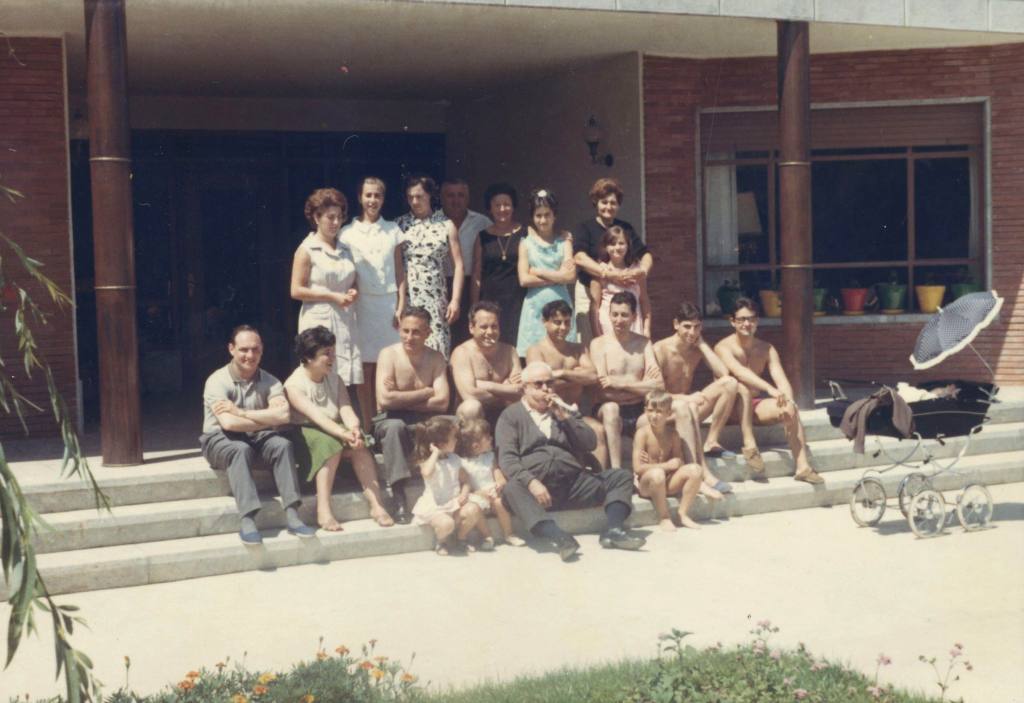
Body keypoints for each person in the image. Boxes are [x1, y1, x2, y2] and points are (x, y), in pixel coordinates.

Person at [495, 361, 645, 562]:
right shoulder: (511, 416)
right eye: (538, 384)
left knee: (621, 476)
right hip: (538, 490)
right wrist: (532, 483)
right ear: (525, 388)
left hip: (573, 484)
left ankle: (614, 531)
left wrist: (565, 417)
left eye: (550, 383)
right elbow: (507, 459)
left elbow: (590, 442)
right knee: (512, 489)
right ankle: (560, 538)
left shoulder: (562, 410)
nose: (546, 389)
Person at [199, 325, 315, 544]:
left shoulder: (271, 381)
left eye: (255, 349)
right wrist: (266, 417)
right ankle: (248, 518)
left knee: (282, 445)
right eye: (244, 349)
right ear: (231, 349)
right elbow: (228, 423)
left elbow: (283, 416)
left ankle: (293, 514)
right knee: (240, 449)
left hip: (258, 436)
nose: (250, 355)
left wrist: (241, 412)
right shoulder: (217, 381)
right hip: (219, 438)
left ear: (262, 350)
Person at [283, 326, 394, 531]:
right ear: (308, 357)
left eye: (333, 352)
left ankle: (377, 506)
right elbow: (317, 418)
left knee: (360, 445)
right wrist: (343, 434)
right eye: (326, 353)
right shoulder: (294, 385)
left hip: (335, 428)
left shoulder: (335, 378)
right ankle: (323, 510)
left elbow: (345, 408)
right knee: (330, 445)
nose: (332, 358)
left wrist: (354, 429)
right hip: (306, 432)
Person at [714, 297, 824, 484]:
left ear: (757, 321)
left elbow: (781, 379)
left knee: (789, 408)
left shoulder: (766, 348)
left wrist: (788, 402)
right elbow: (739, 373)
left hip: (755, 407)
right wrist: (769, 389)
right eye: (741, 319)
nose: (747, 324)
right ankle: (750, 445)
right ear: (732, 322)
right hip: (730, 409)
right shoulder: (722, 347)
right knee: (742, 388)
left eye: (751, 319)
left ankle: (803, 467)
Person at [373, 306, 452, 523]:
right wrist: (425, 392)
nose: (409, 337)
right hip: (390, 419)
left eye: (416, 332)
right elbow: (385, 400)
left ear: (428, 333)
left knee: (455, 422)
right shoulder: (388, 355)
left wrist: (400, 398)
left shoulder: (436, 358)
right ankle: (399, 495)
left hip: (422, 421)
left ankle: (460, 487)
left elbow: (442, 402)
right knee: (394, 427)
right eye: (405, 331)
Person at [653, 301, 758, 466]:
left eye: (697, 327)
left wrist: (702, 344)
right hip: (666, 412)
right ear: (676, 324)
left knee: (730, 383)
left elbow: (723, 373)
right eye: (687, 327)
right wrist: (687, 399)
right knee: (689, 404)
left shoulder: (697, 348)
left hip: (690, 409)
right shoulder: (660, 350)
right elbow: (654, 394)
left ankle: (711, 441)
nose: (692, 332)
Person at [339, 176, 403, 428]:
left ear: (383, 199)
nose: (372, 200)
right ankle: (368, 426)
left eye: (377, 195)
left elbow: (400, 272)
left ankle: (385, 424)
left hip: (388, 304)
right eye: (368, 195)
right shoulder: (347, 233)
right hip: (362, 305)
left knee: (388, 365)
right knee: (365, 368)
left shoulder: (393, 230)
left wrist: (401, 305)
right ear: (360, 197)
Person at [290, 187, 362, 385]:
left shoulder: (345, 249)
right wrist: (332, 296)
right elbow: (296, 290)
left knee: (342, 374)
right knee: (320, 371)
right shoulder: (306, 250)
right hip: (318, 319)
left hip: (344, 318)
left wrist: (353, 290)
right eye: (330, 217)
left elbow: (351, 278)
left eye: (340, 217)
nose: (336, 223)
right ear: (316, 217)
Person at [526, 299, 608, 470]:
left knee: (598, 431)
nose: (563, 328)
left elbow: (593, 376)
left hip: (574, 414)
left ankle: (601, 480)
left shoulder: (578, 349)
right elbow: (540, 386)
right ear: (545, 322)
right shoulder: (536, 350)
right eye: (557, 322)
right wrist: (577, 375)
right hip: (547, 414)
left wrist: (562, 373)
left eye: (567, 322)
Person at [589, 292, 664, 472]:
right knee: (611, 408)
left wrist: (620, 383)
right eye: (614, 314)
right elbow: (603, 390)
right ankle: (617, 471)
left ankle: (646, 472)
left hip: (638, 408)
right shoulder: (598, 344)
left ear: (634, 317)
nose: (618, 320)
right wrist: (640, 385)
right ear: (609, 315)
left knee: (653, 416)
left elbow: (659, 386)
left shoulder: (643, 344)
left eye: (624, 315)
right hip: (607, 409)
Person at [572, 178, 653, 340]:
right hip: (590, 291)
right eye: (604, 202)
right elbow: (579, 257)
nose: (608, 207)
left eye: (613, 203)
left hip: (621, 293)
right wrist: (609, 274)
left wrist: (642, 271)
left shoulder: (625, 228)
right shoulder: (585, 228)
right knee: (591, 340)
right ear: (596, 203)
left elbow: (645, 254)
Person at [396, 174, 464, 359]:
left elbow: (458, 265)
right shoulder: (399, 225)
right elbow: (396, 266)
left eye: (419, 196)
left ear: (430, 195)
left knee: (436, 349)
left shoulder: (446, 225)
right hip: (408, 298)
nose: (414, 201)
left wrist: (455, 300)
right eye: (410, 197)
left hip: (435, 299)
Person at [410, 417, 485, 556]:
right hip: (435, 507)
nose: (456, 440)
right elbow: (426, 473)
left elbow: (466, 480)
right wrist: (435, 453)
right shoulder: (427, 460)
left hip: (454, 504)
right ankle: (441, 541)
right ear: (441, 443)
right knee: (447, 524)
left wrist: (464, 493)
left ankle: (461, 538)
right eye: (453, 438)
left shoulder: (454, 459)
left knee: (474, 510)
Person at [516, 188, 577, 357]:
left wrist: (538, 271)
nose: (543, 220)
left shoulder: (564, 242)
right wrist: (558, 276)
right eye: (538, 215)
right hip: (536, 306)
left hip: (560, 301)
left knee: (563, 355)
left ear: (554, 215)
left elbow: (570, 276)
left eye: (547, 215)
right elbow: (524, 279)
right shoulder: (525, 244)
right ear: (532, 217)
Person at [632, 391, 703, 531]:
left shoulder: (673, 434)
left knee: (696, 470)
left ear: (669, 413)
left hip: (666, 482)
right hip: (647, 485)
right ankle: (664, 517)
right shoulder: (642, 434)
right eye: (650, 411)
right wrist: (666, 465)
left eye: (659, 411)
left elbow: (678, 462)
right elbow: (638, 468)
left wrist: (676, 463)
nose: (654, 416)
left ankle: (683, 513)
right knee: (657, 473)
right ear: (645, 411)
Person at [471, 182, 526, 346]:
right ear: (490, 208)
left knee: (516, 341)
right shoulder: (482, 236)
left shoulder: (526, 233)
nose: (502, 209)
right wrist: (474, 306)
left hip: (518, 298)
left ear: (513, 206)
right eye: (497, 205)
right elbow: (476, 273)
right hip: (490, 298)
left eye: (507, 204)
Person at [451, 301, 523, 426]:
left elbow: (521, 391)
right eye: (484, 327)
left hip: (504, 411)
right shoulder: (462, 353)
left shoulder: (509, 351)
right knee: (471, 407)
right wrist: (505, 388)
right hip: (474, 416)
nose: (490, 332)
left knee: (523, 405)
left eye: (494, 326)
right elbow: (469, 394)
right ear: (471, 328)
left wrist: (486, 385)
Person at [458, 417, 525, 547]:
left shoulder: (490, 457)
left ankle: (509, 534)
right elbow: (465, 486)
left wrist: (499, 484)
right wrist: (480, 493)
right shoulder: (462, 463)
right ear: (475, 446)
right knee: (475, 508)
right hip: (476, 496)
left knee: (499, 503)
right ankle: (487, 537)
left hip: (494, 495)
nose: (491, 439)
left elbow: (498, 475)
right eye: (487, 438)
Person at [440, 177, 492, 346]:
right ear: (442, 198)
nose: (456, 200)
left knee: (469, 336)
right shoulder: (434, 221)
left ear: (468, 198)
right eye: (450, 195)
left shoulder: (482, 223)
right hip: (441, 286)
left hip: (472, 285)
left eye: (460, 195)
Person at [589, 225, 651, 338]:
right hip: (608, 324)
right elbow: (594, 307)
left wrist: (647, 328)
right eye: (612, 244)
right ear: (605, 247)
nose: (617, 247)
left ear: (628, 245)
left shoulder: (636, 270)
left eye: (621, 243)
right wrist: (596, 334)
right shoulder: (601, 271)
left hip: (633, 324)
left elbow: (644, 300)